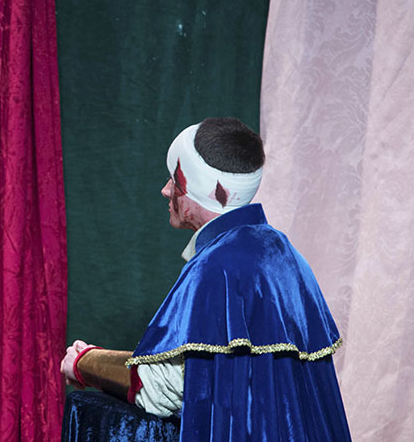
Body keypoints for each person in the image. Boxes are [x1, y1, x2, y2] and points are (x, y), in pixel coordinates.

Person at [61, 118, 351, 440]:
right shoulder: (284, 254)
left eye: (175, 181)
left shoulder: (216, 267)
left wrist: (83, 363)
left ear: (200, 189)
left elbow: (160, 388)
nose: (166, 190)